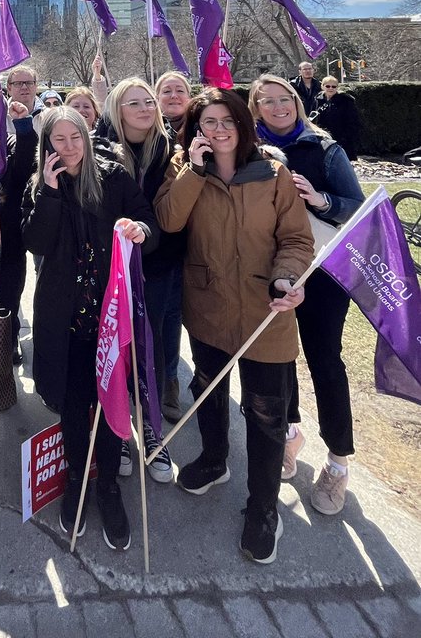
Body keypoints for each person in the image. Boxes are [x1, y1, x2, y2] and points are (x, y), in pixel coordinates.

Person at [154, 89, 313, 565]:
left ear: (243, 124)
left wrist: (288, 276)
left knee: (267, 412)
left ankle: (263, 508)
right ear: (196, 129)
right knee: (207, 388)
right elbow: (168, 218)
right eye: (208, 122)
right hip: (208, 305)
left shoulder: (272, 171)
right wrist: (195, 172)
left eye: (227, 120)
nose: (218, 130)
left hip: (268, 310)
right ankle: (213, 458)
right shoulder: (184, 167)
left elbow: (296, 238)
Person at [22, 107, 157, 551]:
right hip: (66, 319)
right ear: (48, 146)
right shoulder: (41, 185)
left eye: (74, 137)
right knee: (75, 406)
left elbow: (149, 225)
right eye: (58, 140)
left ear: (85, 135)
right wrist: (51, 191)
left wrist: (138, 229)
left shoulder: (114, 177)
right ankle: (77, 479)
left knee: (110, 404)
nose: (68, 148)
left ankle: (109, 489)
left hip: (110, 317)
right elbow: (35, 242)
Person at [248, 74, 364, 514]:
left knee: (324, 360)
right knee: (279, 357)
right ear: (255, 108)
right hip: (272, 270)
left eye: (285, 99)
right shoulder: (249, 150)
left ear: (297, 101)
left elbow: (359, 208)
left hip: (322, 273)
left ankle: (337, 462)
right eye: (267, 101)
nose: (278, 108)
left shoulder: (325, 149)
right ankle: (290, 433)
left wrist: (321, 200)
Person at [99, 79, 179, 482]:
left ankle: (151, 431)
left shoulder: (171, 151)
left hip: (157, 265)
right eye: (135, 102)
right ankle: (119, 431)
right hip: (112, 270)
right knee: (118, 347)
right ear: (117, 109)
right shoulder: (98, 147)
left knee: (152, 346)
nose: (146, 108)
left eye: (150, 101)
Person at [152, 72, 192, 423]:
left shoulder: (205, 125)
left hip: (197, 239)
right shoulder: (151, 130)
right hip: (158, 237)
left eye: (180, 89)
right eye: (166, 90)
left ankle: (170, 380)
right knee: (161, 313)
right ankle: (159, 380)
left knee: (176, 315)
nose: (174, 95)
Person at [0, 101, 38, 365]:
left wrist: (23, 125)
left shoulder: (8, 144)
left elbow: (25, 156)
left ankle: (9, 343)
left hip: (9, 241)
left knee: (9, 297)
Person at [311, 77, 361, 161]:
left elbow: (353, 121)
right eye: (328, 86)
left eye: (333, 86)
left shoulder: (346, 100)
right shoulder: (317, 100)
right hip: (323, 138)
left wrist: (346, 138)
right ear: (322, 86)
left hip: (342, 139)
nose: (330, 88)